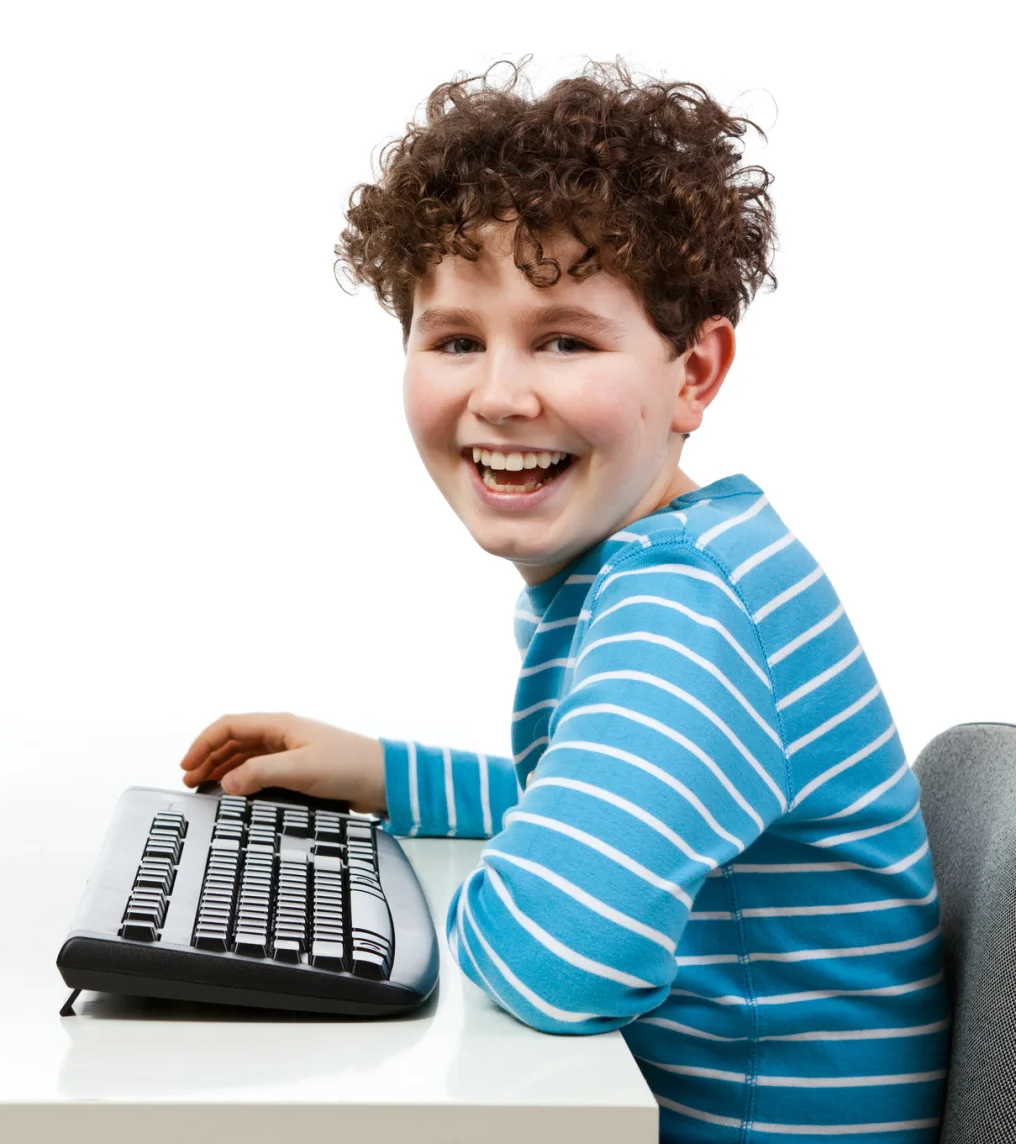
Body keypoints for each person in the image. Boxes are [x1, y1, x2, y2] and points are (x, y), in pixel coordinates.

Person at [179, 58, 947, 1142]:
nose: (499, 393)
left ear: (695, 374)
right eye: (455, 339)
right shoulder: (676, 555)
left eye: (566, 340)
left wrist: (369, 917)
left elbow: (557, 958)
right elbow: (601, 797)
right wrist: (389, 776)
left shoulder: (685, 606)